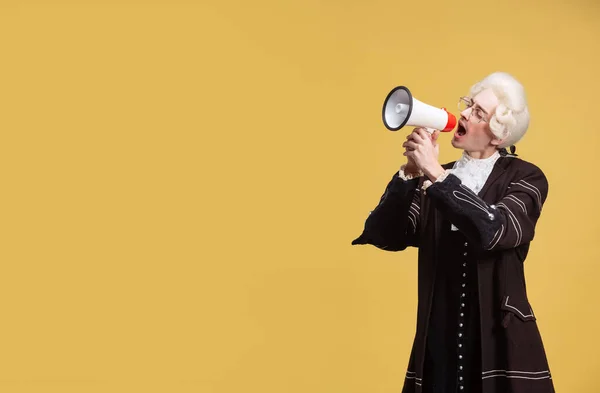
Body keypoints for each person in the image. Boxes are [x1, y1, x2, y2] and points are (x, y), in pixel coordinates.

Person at [352, 72, 555, 393]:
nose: (463, 113)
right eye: (468, 105)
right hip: (439, 333)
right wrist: (409, 174)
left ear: (498, 135)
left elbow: (496, 229)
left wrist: (434, 173)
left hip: (497, 334)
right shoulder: (434, 177)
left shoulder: (526, 177)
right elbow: (384, 235)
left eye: (477, 112)